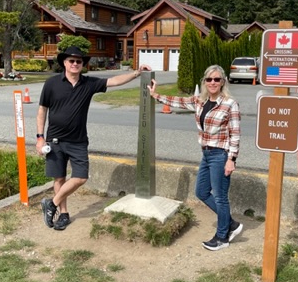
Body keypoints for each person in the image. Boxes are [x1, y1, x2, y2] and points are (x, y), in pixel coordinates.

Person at [37, 46, 151, 231]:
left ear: (82, 64)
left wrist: (137, 72)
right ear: (64, 63)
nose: (75, 64)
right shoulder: (51, 84)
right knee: (59, 178)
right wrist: (40, 137)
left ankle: (51, 204)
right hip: (55, 140)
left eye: (79, 61)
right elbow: (42, 110)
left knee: (81, 177)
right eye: (71, 61)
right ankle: (63, 214)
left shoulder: (88, 84)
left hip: (78, 141)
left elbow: (114, 81)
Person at [148, 65, 242, 251]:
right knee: (201, 192)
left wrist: (231, 159)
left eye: (217, 79)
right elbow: (178, 102)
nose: (213, 83)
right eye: (209, 79)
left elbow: (235, 134)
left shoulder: (230, 104)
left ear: (223, 82)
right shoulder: (200, 100)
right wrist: (155, 95)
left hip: (220, 154)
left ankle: (222, 237)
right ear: (204, 82)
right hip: (206, 154)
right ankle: (230, 223)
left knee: (221, 197)